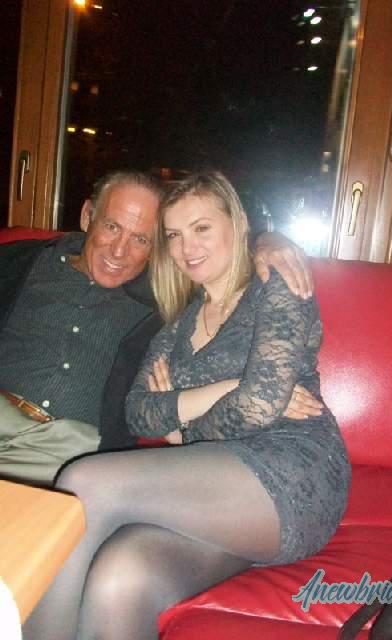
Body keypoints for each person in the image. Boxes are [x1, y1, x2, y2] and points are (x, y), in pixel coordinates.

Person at [23, 171, 351, 640]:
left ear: (236, 225)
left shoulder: (275, 283)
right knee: (122, 576)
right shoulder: (178, 324)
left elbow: (259, 407)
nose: (186, 247)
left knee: (82, 482)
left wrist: (184, 423)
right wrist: (228, 388)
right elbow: (138, 412)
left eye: (201, 228)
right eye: (174, 235)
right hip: (215, 496)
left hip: (291, 475)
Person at [0, 169, 316, 485]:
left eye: (141, 239)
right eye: (112, 226)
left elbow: (222, 260)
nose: (119, 251)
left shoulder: (168, 299)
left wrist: (267, 241)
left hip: (66, 448)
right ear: (87, 216)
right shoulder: (17, 261)